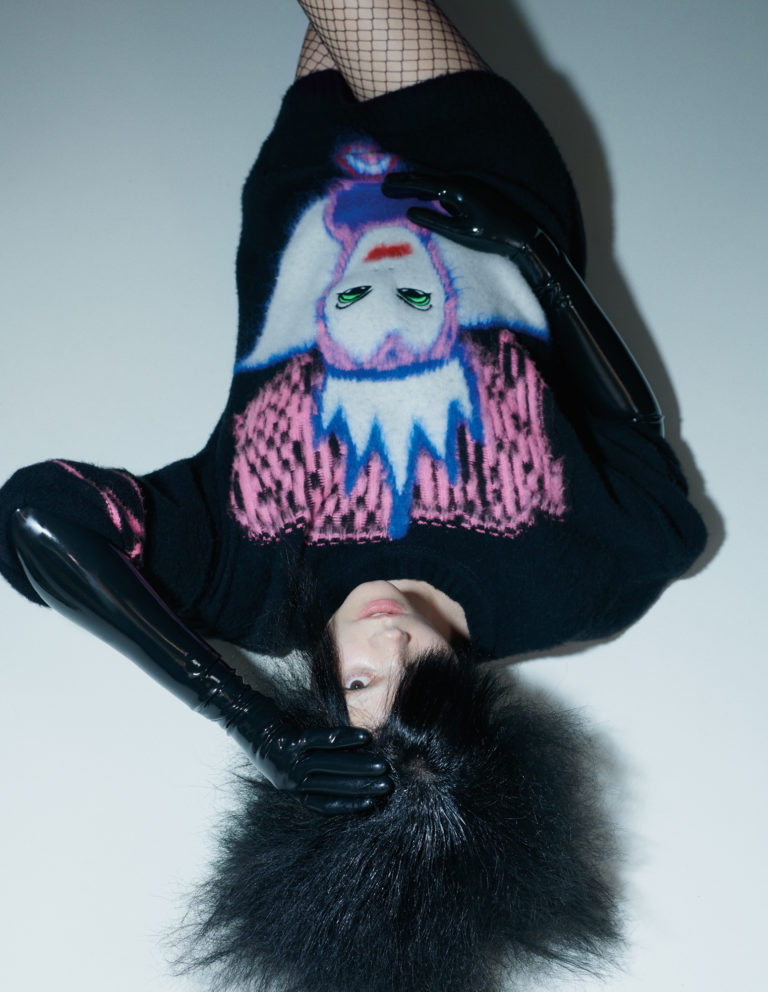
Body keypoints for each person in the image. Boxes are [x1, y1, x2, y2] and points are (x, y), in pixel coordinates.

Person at [0, 2, 707, 990]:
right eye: (418, 682)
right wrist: (536, 254)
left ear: (318, 713)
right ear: (482, 721)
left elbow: (35, 515)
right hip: (483, 172)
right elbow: (638, 435)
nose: (388, 643)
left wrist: (247, 719)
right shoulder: (579, 586)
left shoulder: (244, 577)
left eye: (363, 689)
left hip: (309, 181)